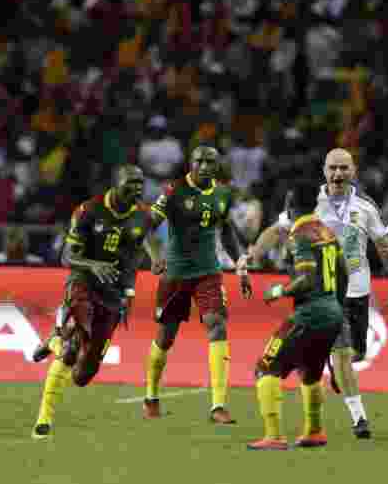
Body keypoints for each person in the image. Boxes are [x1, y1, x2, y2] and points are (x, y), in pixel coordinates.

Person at [243, 148, 388, 439]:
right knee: (342, 356)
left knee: (354, 354)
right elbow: (277, 231)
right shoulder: (307, 202)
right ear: (324, 170)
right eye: (333, 168)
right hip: (325, 294)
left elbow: (384, 246)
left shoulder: (366, 206)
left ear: (354, 171)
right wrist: (253, 254)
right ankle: (360, 420)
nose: (338, 174)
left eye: (344, 168)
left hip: (356, 291)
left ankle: (332, 371)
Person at [30, 165, 158, 438]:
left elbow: (135, 251)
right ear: (115, 183)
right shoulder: (89, 211)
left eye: (140, 183)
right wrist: (93, 265)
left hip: (112, 294)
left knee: (82, 376)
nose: (136, 188)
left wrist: (130, 290)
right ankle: (44, 420)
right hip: (83, 282)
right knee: (73, 348)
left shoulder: (143, 216)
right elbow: (66, 256)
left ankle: (54, 341)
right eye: (130, 183)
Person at [143, 146, 253, 424]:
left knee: (217, 324)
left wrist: (239, 260)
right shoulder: (173, 191)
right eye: (199, 161)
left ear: (217, 166)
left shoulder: (223, 194)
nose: (204, 166)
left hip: (209, 272)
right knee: (166, 336)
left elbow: (225, 230)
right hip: (176, 274)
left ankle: (218, 405)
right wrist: (155, 256)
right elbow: (146, 225)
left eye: (210, 162)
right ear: (190, 163)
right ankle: (151, 396)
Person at [248, 182, 347, 450]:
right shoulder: (326, 231)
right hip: (332, 313)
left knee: (265, 367)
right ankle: (314, 431)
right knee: (310, 372)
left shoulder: (299, 235)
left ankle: (274, 435)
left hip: (310, 314)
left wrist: (278, 290)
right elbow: (343, 273)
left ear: (289, 207)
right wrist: (337, 311)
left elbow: (306, 278)